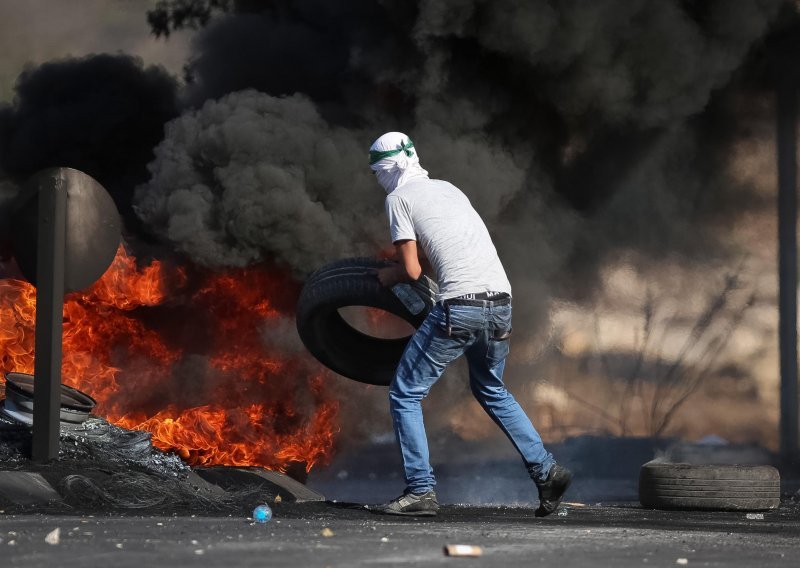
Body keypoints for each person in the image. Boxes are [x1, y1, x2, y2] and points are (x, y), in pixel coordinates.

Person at [369, 131, 572, 517]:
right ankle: (546, 472)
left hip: (460, 306)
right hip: (501, 303)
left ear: (390, 168)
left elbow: (412, 270)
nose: (378, 179)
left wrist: (390, 276)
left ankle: (420, 491)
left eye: (378, 171)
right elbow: (448, 246)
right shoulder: (448, 188)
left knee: (405, 392)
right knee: (491, 388)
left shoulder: (398, 198)